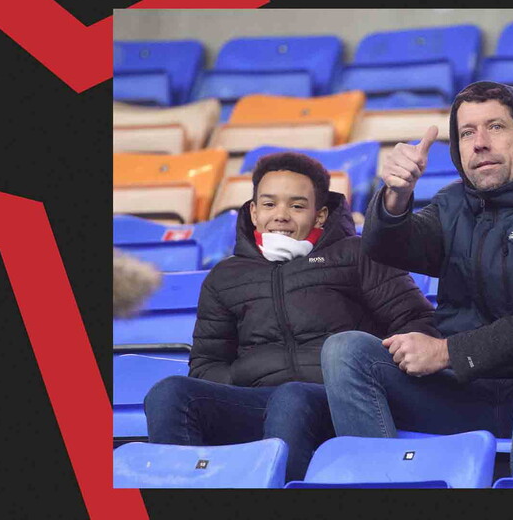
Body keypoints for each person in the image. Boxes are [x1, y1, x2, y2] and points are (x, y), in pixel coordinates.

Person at [321, 81, 513, 471]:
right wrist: (395, 196)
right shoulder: (453, 204)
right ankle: (386, 485)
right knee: (347, 352)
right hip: (471, 393)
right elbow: (387, 247)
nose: (480, 142)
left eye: (496, 127)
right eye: (467, 132)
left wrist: (446, 352)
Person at [143, 152, 436, 482]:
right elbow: (205, 365)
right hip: (257, 401)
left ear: (320, 214)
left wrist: (371, 370)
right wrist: (245, 379)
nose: (280, 216)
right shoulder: (224, 276)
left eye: (296, 206)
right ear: (253, 212)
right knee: (169, 393)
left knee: (291, 397)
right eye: (269, 205)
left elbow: (415, 321)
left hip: (337, 398)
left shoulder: (357, 254)